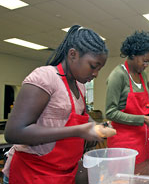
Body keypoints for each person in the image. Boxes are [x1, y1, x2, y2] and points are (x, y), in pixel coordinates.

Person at [2, 25, 108, 184]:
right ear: (73, 54)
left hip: (62, 175)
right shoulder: (45, 77)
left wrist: (97, 128)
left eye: (99, 69)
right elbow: (14, 132)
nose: (95, 74)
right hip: (32, 174)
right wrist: (77, 130)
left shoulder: (80, 86)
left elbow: (83, 120)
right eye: (93, 66)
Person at [105, 31, 149, 164]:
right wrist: (142, 119)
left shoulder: (143, 75)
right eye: (145, 61)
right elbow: (110, 112)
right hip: (123, 142)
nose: (147, 65)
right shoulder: (118, 75)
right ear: (133, 54)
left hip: (142, 139)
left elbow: (143, 108)